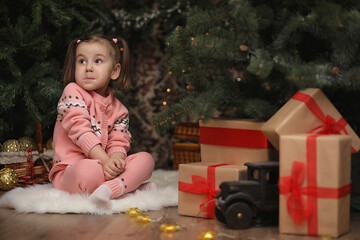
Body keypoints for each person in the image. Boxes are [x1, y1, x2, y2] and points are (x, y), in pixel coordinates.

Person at [49, 34, 156, 209]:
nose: (88, 68)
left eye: (97, 61)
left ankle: (109, 189)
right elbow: (81, 131)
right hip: (72, 170)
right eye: (82, 61)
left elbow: (118, 142)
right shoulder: (72, 91)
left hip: (105, 167)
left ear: (114, 71)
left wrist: (115, 161)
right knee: (89, 171)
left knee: (146, 160)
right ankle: (127, 188)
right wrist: (105, 161)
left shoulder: (119, 109)